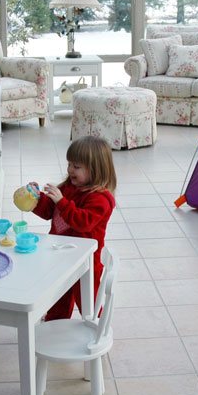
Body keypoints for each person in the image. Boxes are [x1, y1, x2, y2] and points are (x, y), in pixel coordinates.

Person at [30, 135, 116, 320]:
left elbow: (83, 222)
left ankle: (95, 327)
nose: (70, 170)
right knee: (58, 297)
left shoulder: (101, 199)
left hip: (86, 261)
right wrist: (37, 199)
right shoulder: (68, 187)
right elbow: (50, 212)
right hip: (61, 256)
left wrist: (62, 201)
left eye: (76, 167)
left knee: (88, 303)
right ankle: (54, 325)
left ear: (96, 170)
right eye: (69, 164)